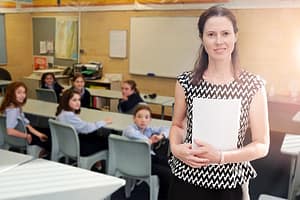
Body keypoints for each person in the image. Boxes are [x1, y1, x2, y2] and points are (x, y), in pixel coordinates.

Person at [168, 6, 270, 200]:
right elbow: (178, 125)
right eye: (211, 34)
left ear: (235, 36)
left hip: (229, 184)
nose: (219, 41)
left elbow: (262, 145)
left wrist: (221, 157)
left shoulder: (253, 85)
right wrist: (175, 147)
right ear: (202, 38)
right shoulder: (185, 82)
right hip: (187, 178)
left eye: (225, 33)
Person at [123, 104, 171, 200]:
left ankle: (171, 193)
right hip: (136, 162)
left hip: (148, 158)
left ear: (150, 120)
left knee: (171, 163)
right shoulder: (130, 129)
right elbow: (132, 134)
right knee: (167, 173)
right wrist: (149, 140)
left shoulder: (148, 129)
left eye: (146, 117)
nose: (143, 120)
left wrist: (161, 136)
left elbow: (166, 129)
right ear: (134, 118)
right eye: (139, 117)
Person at [56, 89, 112, 168]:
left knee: (94, 134)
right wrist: (103, 122)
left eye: (79, 100)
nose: (78, 102)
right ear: (66, 101)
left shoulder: (62, 112)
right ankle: (104, 168)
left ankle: (97, 162)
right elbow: (87, 128)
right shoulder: (69, 116)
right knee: (107, 140)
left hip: (66, 143)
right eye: (74, 100)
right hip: (77, 147)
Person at [0, 81, 51, 156]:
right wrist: (26, 136)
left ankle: (43, 152)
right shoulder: (13, 110)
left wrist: (38, 134)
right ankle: (44, 154)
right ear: (11, 94)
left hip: (22, 131)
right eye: (19, 92)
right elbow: (10, 131)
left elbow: (26, 124)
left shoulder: (11, 105)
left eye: (24, 92)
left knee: (46, 132)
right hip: (22, 136)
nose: (23, 95)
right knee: (51, 135)